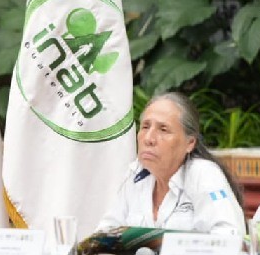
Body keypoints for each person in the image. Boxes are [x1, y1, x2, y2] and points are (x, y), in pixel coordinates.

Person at [95, 92, 245, 236]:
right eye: (145, 127)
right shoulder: (135, 175)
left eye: (163, 129)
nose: (149, 138)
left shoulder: (203, 174)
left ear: (190, 143)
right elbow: (105, 234)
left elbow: (230, 237)